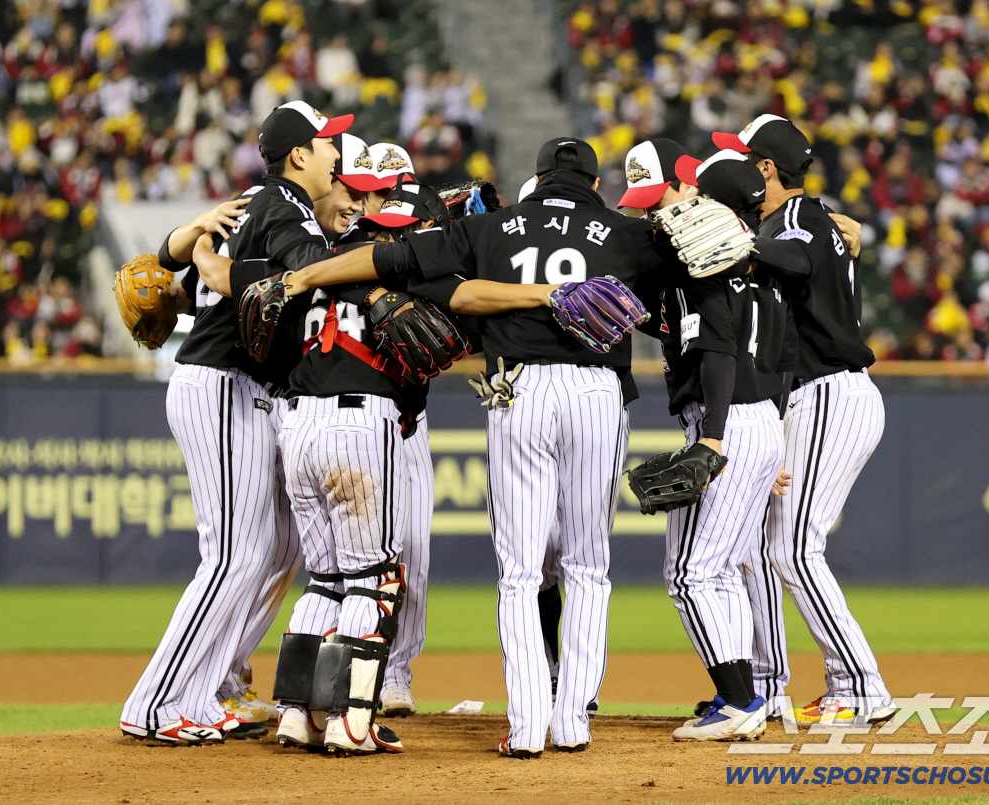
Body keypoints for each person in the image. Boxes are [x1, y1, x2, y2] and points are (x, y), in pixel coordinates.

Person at [279, 137, 684, 758]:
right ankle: (572, 720)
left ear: (538, 178)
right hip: (599, 390)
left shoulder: (496, 228)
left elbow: (391, 261)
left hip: (517, 388)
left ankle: (525, 727)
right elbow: (714, 268)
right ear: (596, 185)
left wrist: (307, 273)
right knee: (588, 565)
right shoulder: (629, 233)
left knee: (520, 573)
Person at [119, 101, 354, 745]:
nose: (337, 153)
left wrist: (189, 245)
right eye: (328, 144)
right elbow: (307, 270)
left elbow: (180, 262)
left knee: (279, 548)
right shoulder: (283, 203)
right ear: (299, 155)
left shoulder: (260, 200)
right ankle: (159, 703)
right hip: (223, 382)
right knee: (234, 552)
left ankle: (211, 684)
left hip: (240, 384)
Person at [714, 114, 895, 724]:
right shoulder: (812, 218)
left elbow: (797, 256)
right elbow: (832, 239)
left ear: (766, 168)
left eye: (744, 158)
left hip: (830, 393)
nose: (737, 166)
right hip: (810, 398)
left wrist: (742, 245)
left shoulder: (796, 220)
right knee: (769, 543)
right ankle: (769, 684)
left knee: (793, 547)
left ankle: (861, 686)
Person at [652, 150, 795, 742]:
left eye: (696, 196)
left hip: (728, 419)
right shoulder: (767, 275)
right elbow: (784, 364)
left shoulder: (707, 270)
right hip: (763, 417)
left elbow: (715, 354)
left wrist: (711, 435)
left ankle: (738, 700)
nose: (687, 204)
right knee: (725, 569)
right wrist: (776, 441)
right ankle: (745, 693)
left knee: (691, 573)